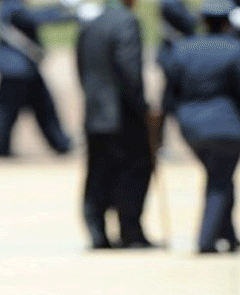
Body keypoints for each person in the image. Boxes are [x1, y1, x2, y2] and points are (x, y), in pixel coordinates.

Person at [162, 0, 240, 254]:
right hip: (228, 127)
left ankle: (229, 235)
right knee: (220, 181)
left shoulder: (182, 48)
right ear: (228, 22)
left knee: (219, 177)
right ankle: (206, 240)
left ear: (202, 21)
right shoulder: (234, 49)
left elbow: (169, 94)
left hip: (191, 128)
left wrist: (163, 128)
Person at [75, 0, 156, 249]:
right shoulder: (127, 21)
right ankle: (130, 231)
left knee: (98, 171)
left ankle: (97, 231)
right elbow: (129, 68)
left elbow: (80, 66)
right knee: (135, 169)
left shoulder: (90, 23)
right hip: (123, 113)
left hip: (95, 110)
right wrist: (142, 107)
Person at [0, 0, 77, 157]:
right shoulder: (10, 5)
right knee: (10, 110)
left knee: (40, 107)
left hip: (21, 67)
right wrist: (67, 11)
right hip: (17, 68)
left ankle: (60, 143)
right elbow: (32, 18)